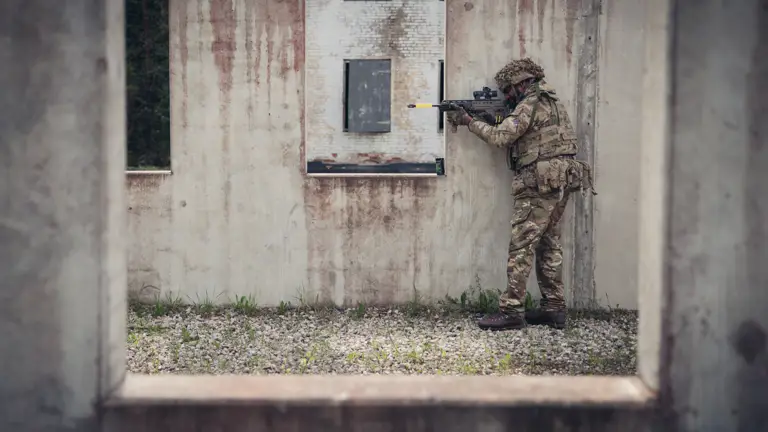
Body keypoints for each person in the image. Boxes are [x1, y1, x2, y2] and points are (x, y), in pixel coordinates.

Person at [446, 58, 596, 331]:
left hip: (538, 183)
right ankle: (554, 307)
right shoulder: (553, 102)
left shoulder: (530, 103)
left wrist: (469, 121)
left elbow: (502, 137)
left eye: (507, 90)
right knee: (549, 244)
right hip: (560, 179)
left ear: (521, 83)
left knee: (522, 246)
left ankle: (512, 310)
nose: (506, 96)